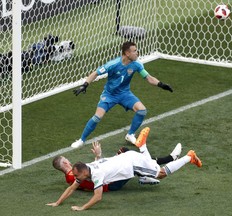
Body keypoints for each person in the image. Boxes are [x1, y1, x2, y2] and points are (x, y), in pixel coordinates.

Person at [46, 127, 202, 211]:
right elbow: (72, 188)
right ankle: (143, 146)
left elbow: (98, 197)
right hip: (128, 162)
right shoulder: (89, 167)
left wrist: (82, 207)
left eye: (77, 175)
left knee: (160, 174)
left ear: (84, 172)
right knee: (153, 169)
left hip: (132, 163)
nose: (76, 178)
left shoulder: (96, 174)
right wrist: (58, 202)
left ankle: (189, 156)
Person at [70, 41, 173, 148]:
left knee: (142, 110)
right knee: (97, 117)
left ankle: (130, 134)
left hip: (125, 94)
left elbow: (149, 78)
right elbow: (95, 73)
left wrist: (161, 85)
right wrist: (85, 85)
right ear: (127, 53)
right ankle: (81, 140)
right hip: (109, 95)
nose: (137, 53)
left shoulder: (137, 65)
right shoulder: (113, 64)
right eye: (135, 51)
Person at [53, 141, 182, 191]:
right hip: (111, 182)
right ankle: (170, 159)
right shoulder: (74, 175)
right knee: (130, 158)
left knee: (125, 153)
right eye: (66, 159)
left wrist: (98, 156)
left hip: (107, 178)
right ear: (65, 163)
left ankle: (143, 174)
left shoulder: (69, 177)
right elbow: (93, 175)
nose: (68, 160)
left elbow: (94, 171)